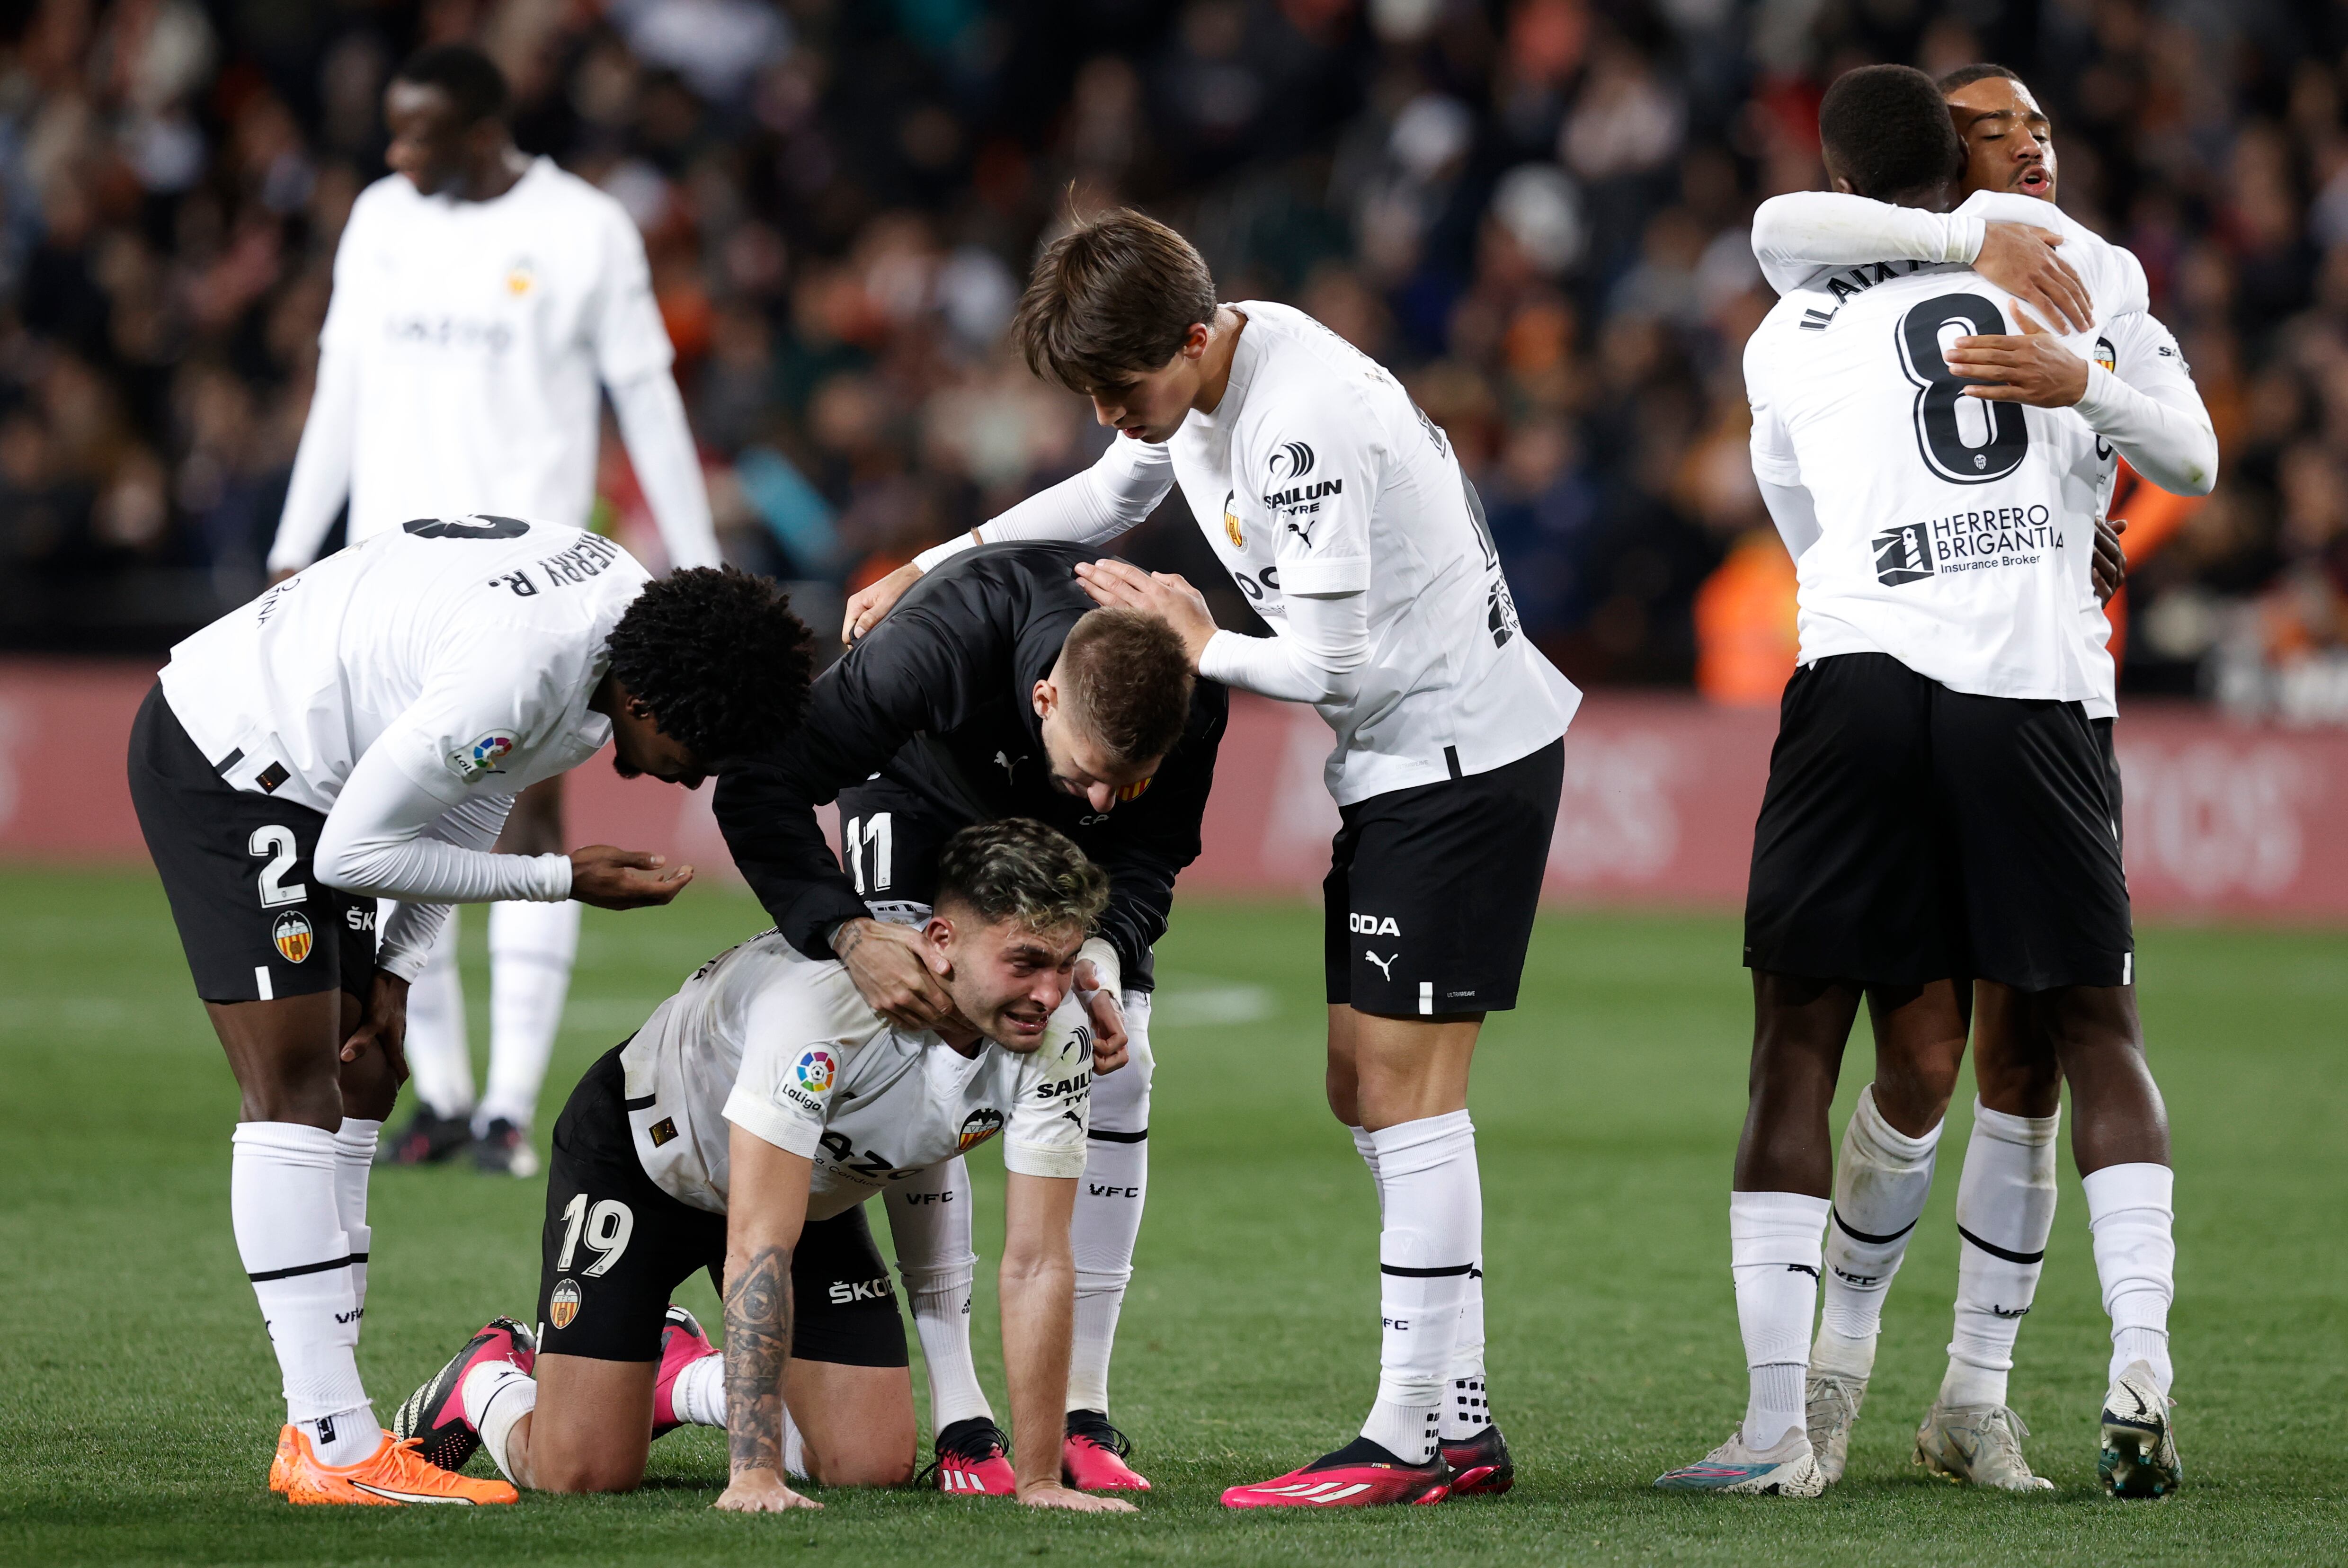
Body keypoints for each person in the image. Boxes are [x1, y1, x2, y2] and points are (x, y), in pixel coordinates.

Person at [848, 209, 1580, 1506]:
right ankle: (1455, 1416)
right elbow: (1120, 488)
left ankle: (1418, 1435)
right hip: (1407, 764)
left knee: (1411, 1100)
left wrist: (1195, 640)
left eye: (1124, 391)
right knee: (1365, 1089)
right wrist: (939, 557)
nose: (1116, 417)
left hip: (1457, 762)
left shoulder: (1300, 422)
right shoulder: (1231, 355)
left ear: (1193, 336)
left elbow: (1330, 662)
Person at [1649, 63, 2186, 1498]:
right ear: (1949, 159)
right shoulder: (1981, 281)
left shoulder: (1827, 321)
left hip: (1973, 681)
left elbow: (1811, 510)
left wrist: (2069, 491)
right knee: (1941, 1054)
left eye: (2045, 125)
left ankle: (1952, 1402)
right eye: (2002, 130)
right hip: (1996, 686)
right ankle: (1830, 1391)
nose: (2038, 149)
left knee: (1973, 1055)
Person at [127, 515, 812, 1505]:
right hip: (239, 756)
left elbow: (474, 788)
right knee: (295, 1089)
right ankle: (330, 1442)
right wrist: (559, 880)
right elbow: (348, 857)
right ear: (653, 697)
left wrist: (397, 962)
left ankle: (329, 1425)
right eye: (698, 748)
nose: (693, 775)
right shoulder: (526, 669)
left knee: (365, 1066)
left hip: (332, 776)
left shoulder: (616, 628)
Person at [266, 43, 725, 1178]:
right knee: (405, 824)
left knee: (524, 820)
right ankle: (447, 1100)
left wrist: (701, 561)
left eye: (416, 134)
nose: (393, 154)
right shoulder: (380, 219)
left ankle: (509, 1110)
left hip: (532, 581)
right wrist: (291, 544)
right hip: (387, 576)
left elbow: (647, 398)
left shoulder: (584, 229)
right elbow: (344, 386)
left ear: (480, 133)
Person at [390, 820, 1137, 1517]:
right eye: (1027, 962)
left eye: (1066, 962)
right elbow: (757, 1245)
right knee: (580, 1473)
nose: (1049, 992)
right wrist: (754, 1471)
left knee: (868, 1462)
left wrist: (1039, 1481)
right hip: (646, 1159)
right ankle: (485, 1378)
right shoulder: (822, 1010)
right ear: (941, 941)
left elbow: (1038, 1263)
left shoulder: (1055, 1034)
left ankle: (679, 1376)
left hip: (803, 1187)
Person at [715, 541, 1224, 1491]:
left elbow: (1148, 855)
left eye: (1133, 779)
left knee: (1124, 1060)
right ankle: (961, 1412)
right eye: (1095, 771)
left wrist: (1097, 960)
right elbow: (762, 782)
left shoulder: (1190, 693)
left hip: (1059, 843)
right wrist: (840, 931)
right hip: (920, 793)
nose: (1110, 798)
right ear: (1042, 700)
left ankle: (1084, 1412)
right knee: (931, 1042)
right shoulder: (938, 647)